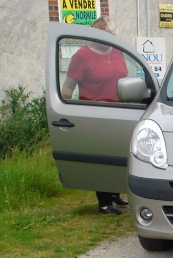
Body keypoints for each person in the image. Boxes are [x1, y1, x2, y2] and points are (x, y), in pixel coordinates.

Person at [61, 16, 130, 215]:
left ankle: (115, 193)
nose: (112, 39)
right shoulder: (82, 56)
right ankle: (104, 202)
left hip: (120, 112)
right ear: (96, 34)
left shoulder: (118, 52)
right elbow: (67, 89)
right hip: (96, 114)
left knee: (119, 155)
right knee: (103, 156)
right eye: (108, 35)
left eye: (113, 35)